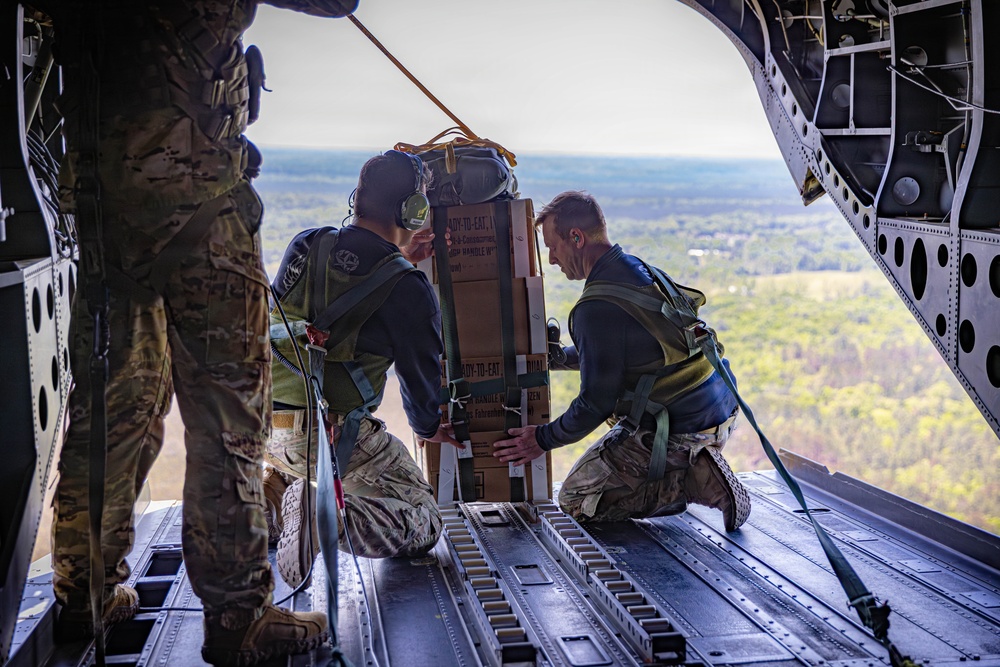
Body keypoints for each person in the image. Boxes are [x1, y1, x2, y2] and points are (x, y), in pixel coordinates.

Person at [44, 2, 359, 665]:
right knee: (228, 418)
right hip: (199, 212)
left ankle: (86, 591)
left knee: (115, 405)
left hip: (104, 210)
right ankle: (239, 616)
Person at [494, 191, 751, 530]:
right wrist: (558, 359)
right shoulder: (638, 270)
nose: (552, 259)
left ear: (577, 237)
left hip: (682, 430)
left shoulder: (595, 308)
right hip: (722, 412)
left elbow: (595, 403)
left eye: (553, 247)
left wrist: (541, 439)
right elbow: (626, 352)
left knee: (576, 499)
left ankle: (691, 479)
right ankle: (695, 460)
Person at [266, 150, 461, 588]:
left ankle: (268, 500)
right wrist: (430, 427)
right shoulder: (408, 289)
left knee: (297, 460)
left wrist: (399, 257)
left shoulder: (307, 242)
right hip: (332, 435)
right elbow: (421, 390)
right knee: (425, 519)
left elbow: (315, 300)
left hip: (266, 430)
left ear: (358, 198)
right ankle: (323, 517)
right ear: (414, 210)